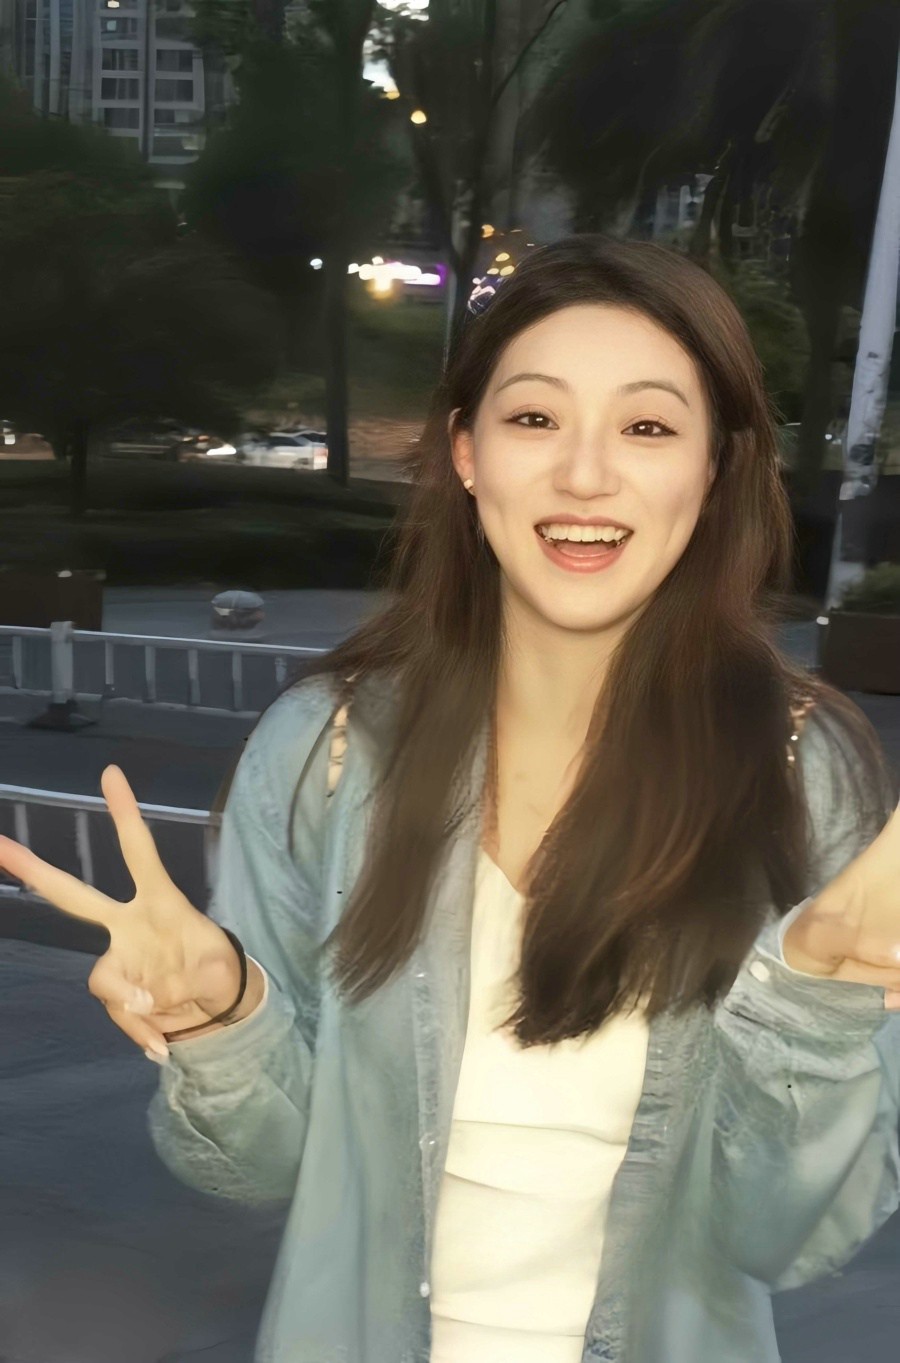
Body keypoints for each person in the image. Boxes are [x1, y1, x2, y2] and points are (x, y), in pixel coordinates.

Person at [2, 235, 900, 1363]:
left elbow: (795, 1237)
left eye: (647, 427)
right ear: (468, 452)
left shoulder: (803, 767)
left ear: (714, 466)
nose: (585, 476)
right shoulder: (329, 747)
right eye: (536, 418)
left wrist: (813, 1000)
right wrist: (219, 1014)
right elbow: (257, 1166)